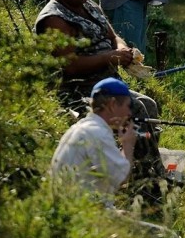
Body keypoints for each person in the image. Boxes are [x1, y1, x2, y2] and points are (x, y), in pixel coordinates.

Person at [35, 0, 167, 201]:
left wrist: (123, 50)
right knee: (137, 109)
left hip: (108, 82)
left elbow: (112, 35)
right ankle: (150, 190)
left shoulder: (89, 5)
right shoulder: (54, 19)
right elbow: (69, 65)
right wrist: (110, 56)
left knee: (149, 104)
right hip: (78, 90)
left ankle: (143, 173)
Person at [50, 77, 137, 208]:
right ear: (112, 104)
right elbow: (121, 178)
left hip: (67, 210)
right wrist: (128, 144)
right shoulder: (98, 134)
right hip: (83, 216)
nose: (129, 112)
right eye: (128, 106)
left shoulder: (80, 128)